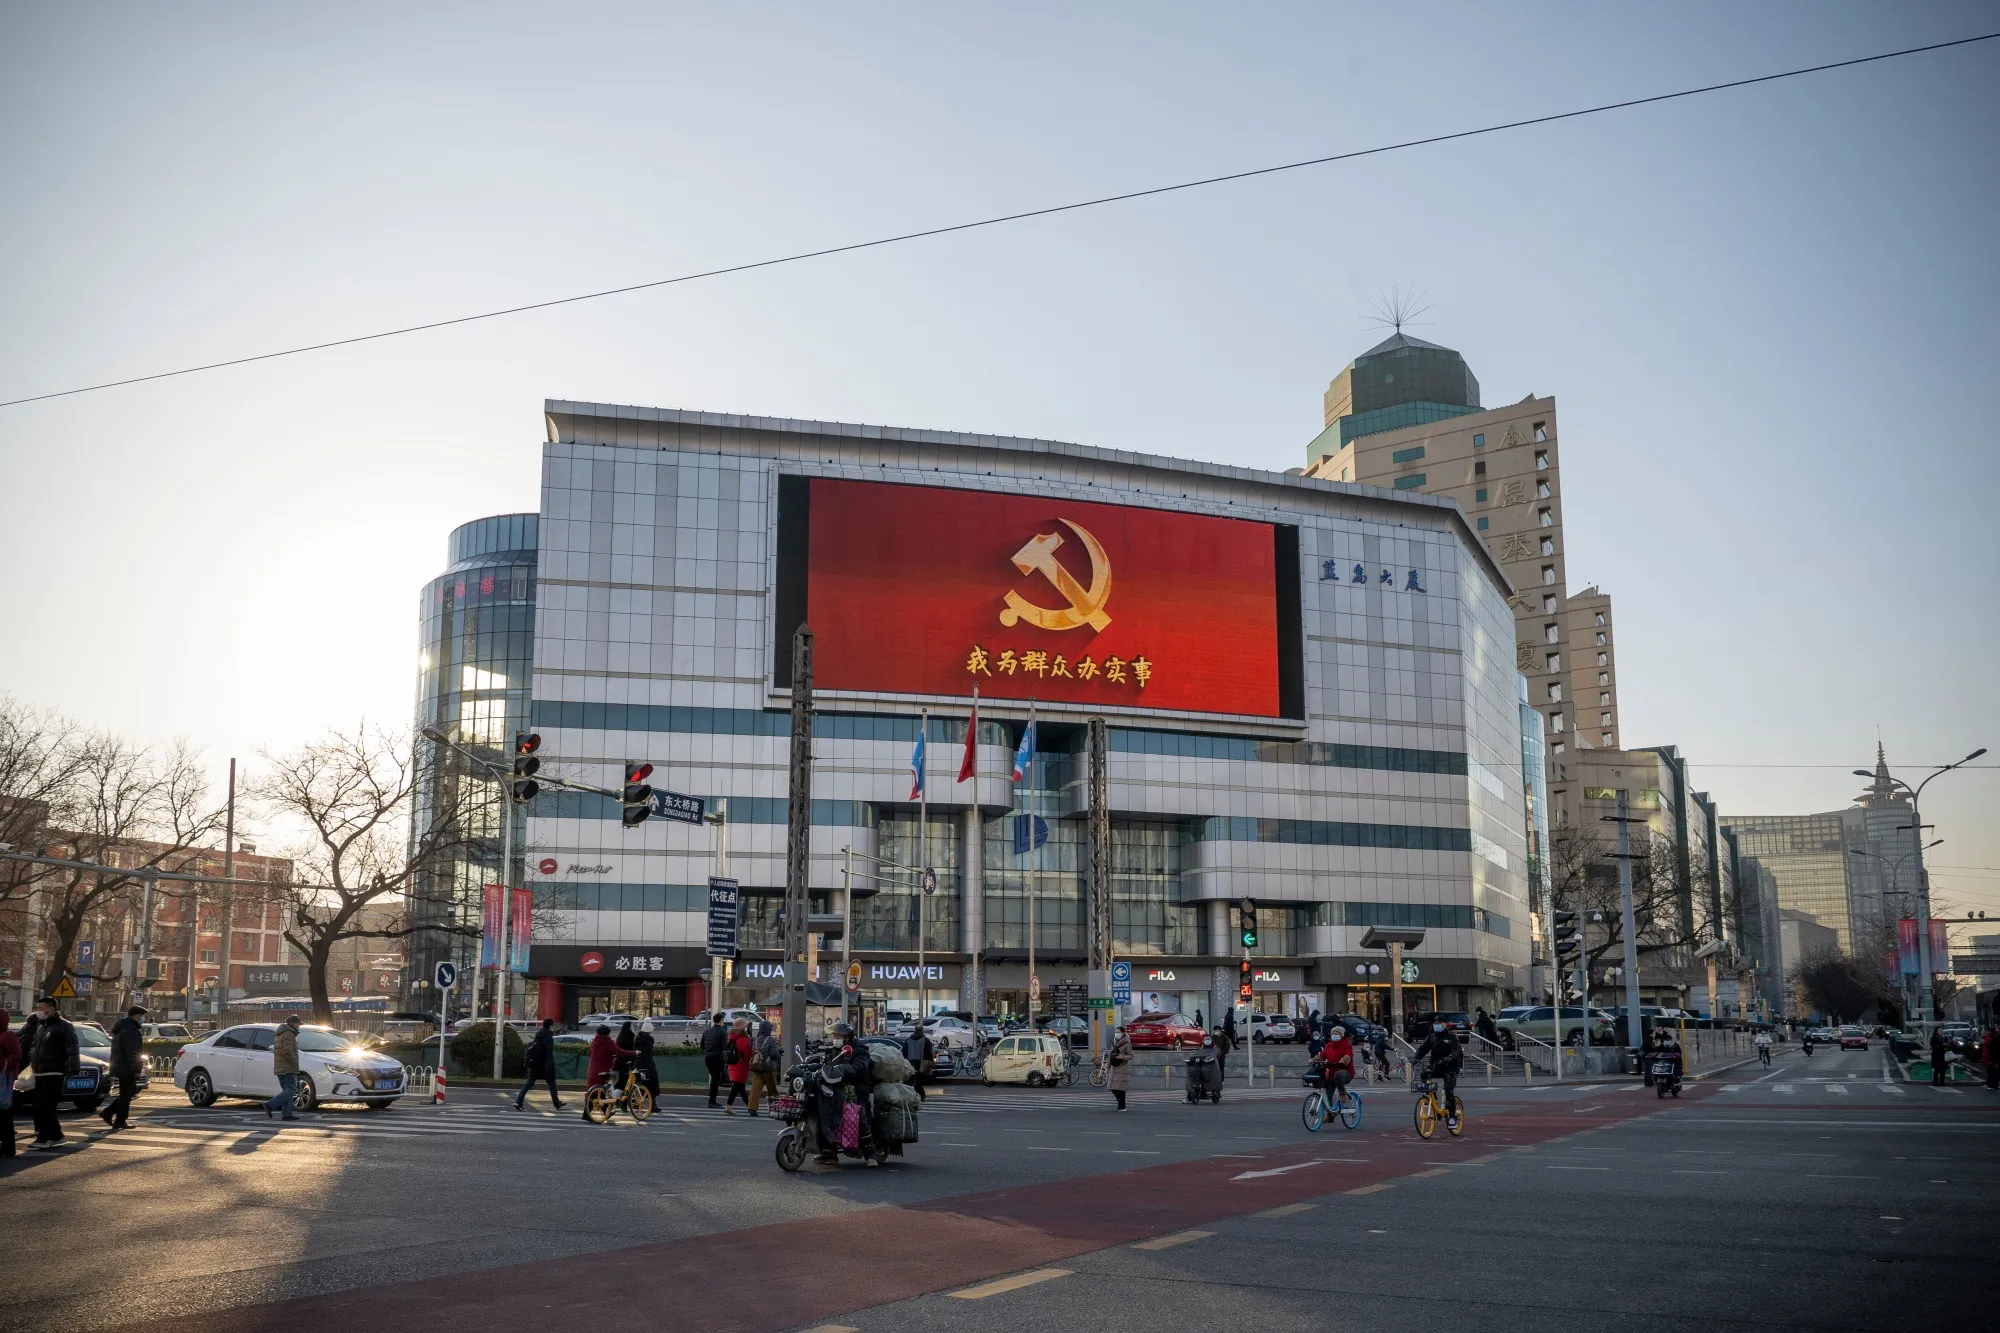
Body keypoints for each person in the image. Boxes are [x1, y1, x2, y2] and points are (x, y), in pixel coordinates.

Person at [816, 1022, 875, 1163]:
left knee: (857, 1116)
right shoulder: (834, 1050)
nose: (835, 1038)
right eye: (834, 1035)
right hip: (837, 1089)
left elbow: (860, 1067)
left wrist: (844, 1068)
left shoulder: (860, 1050)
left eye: (839, 1036)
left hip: (857, 1090)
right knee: (822, 1114)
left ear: (848, 1037)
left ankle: (871, 1154)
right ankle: (828, 1152)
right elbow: (826, 1064)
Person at [1410, 1015, 1464, 1119]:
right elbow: (1422, 1049)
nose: (1436, 1025)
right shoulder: (1431, 1037)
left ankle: (1452, 1117)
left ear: (1444, 1024)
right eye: (1434, 1023)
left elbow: (1456, 1051)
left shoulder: (1451, 1036)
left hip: (1450, 1067)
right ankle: (1431, 1098)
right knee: (1424, 1074)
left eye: (1438, 1023)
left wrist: (1448, 1058)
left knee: (1449, 1090)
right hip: (1436, 1065)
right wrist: (1415, 1059)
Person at [103, 1004, 146, 1130]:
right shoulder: (130, 1030)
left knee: (127, 1093)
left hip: (121, 1065)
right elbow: (133, 1052)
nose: (143, 1018)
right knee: (127, 1093)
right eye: (142, 1016)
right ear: (137, 1015)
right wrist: (136, 1069)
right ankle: (118, 1119)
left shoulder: (122, 1028)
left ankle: (110, 1114)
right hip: (127, 1067)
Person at [515, 1019, 561, 1111]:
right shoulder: (549, 1037)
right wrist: (550, 1066)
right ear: (550, 1026)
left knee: (528, 1083)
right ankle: (556, 1103)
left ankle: (518, 1101)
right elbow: (548, 1053)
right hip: (545, 1065)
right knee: (551, 1083)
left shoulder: (538, 1034)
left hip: (535, 1064)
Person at [263, 1013, 303, 1121]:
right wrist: (295, 1063)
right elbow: (287, 1051)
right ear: (293, 1024)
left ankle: (287, 1114)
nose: (299, 1026)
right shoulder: (289, 1034)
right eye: (298, 1024)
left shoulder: (280, 1033)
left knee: (287, 1090)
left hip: (280, 1066)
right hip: (287, 1067)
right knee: (292, 1089)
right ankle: (270, 1104)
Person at [583, 1024, 621, 1121]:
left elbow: (593, 1054)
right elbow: (619, 1051)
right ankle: (588, 1114)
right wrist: (634, 1053)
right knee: (598, 1092)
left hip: (593, 1069)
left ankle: (601, 1112)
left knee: (596, 1092)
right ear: (607, 1033)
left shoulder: (594, 1042)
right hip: (603, 1070)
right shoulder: (608, 1041)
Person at [1311, 1022, 1356, 1102]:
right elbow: (1322, 1055)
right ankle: (1329, 1112)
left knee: (1339, 1075)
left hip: (1346, 1071)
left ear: (1341, 1035)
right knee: (1328, 1092)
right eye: (1333, 1033)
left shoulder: (1347, 1045)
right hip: (1331, 1072)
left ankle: (1342, 1093)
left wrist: (1343, 1060)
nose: (1334, 1035)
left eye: (1336, 1033)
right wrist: (1313, 1060)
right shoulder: (1329, 1046)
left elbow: (1348, 1055)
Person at [746, 1019, 781, 1116]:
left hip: (757, 1067)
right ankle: (775, 1108)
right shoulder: (771, 1040)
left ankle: (752, 1108)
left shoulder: (755, 1040)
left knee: (755, 1089)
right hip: (769, 1068)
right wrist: (779, 1055)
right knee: (772, 1089)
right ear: (769, 1029)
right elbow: (774, 1054)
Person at [0, 1009, 21, 1158]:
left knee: (4, 1114)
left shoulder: (8, 1035)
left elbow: (17, 1055)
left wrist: (3, 1063)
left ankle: (8, 1147)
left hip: (3, 1079)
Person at [722, 1018, 753, 1113]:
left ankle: (748, 1105)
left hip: (733, 1065)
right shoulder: (743, 1039)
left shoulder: (732, 1038)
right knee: (737, 1086)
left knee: (740, 1086)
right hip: (741, 1065)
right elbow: (748, 1053)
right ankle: (728, 1105)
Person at [700, 1012, 730, 1107]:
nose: (723, 1022)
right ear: (721, 1021)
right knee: (715, 1080)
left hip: (708, 1057)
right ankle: (712, 1101)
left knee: (714, 1078)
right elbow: (724, 1047)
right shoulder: (722, 1032)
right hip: (717, 1058)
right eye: (723, 1020)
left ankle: (712, 1100)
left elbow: (702, 1045)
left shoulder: (707, 1031)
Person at [902, 1022, 935, 1102]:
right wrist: (930, 1060)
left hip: (910, 1062)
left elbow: (904, 1052)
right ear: (922, 1030)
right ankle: (920, 1094)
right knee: (918, 1080)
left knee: (913, 1079)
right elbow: (928, 1051)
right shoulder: (925, 1040)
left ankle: (916, 1094)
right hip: (921, 1063)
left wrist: (904, 1060)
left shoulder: (908, 1040)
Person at [1107, 1024, 1133, 1111]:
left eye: (1118, 1032)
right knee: (1113, 1088)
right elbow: (1111, 1056)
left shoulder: (1126, 1044)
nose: (1116, 1034)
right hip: (1114, 1068)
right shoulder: (1115, 1043)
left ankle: (1122, 1106)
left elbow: (1130, 1056)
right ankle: (1121, 1102)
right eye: (1115, 1033)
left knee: (1120, 1088)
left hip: (1122, 1068)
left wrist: (1122, 1057)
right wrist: (1107, 1067)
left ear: (1123, 1033)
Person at [633, 1023, 659, 1108]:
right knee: (652, 1084)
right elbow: (649, 1055)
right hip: (648, 1065)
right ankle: (653, 1104)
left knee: (638, 1084)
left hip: (638, 1065)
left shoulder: (637, 1040)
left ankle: (636, 1103)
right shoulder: (649, 1041)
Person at [1983, 1023, 1999, 1092]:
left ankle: (1991, 1084)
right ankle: (1993, 1085)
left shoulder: (1988, 1039)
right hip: (1991, 1057)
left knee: (1991, 1071)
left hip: (1989, 1057)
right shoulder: (1990, 1039)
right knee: (1994, 1071)